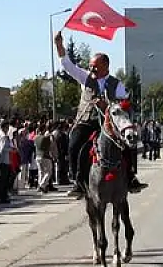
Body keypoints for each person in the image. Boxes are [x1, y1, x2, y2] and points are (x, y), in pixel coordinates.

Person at [53, 31, 143, 198]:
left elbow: (125, 105)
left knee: (129, 143)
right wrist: (59, 45)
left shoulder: (117, 85)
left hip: (109, 124)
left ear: (105, 66)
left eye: (95, 65)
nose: (91, 68)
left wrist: (107, 105)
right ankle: (78, 182)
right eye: (90, 65)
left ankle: (131, 177)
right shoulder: (85, 78)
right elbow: (67, 65)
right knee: (74, 144)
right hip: (86, 122)